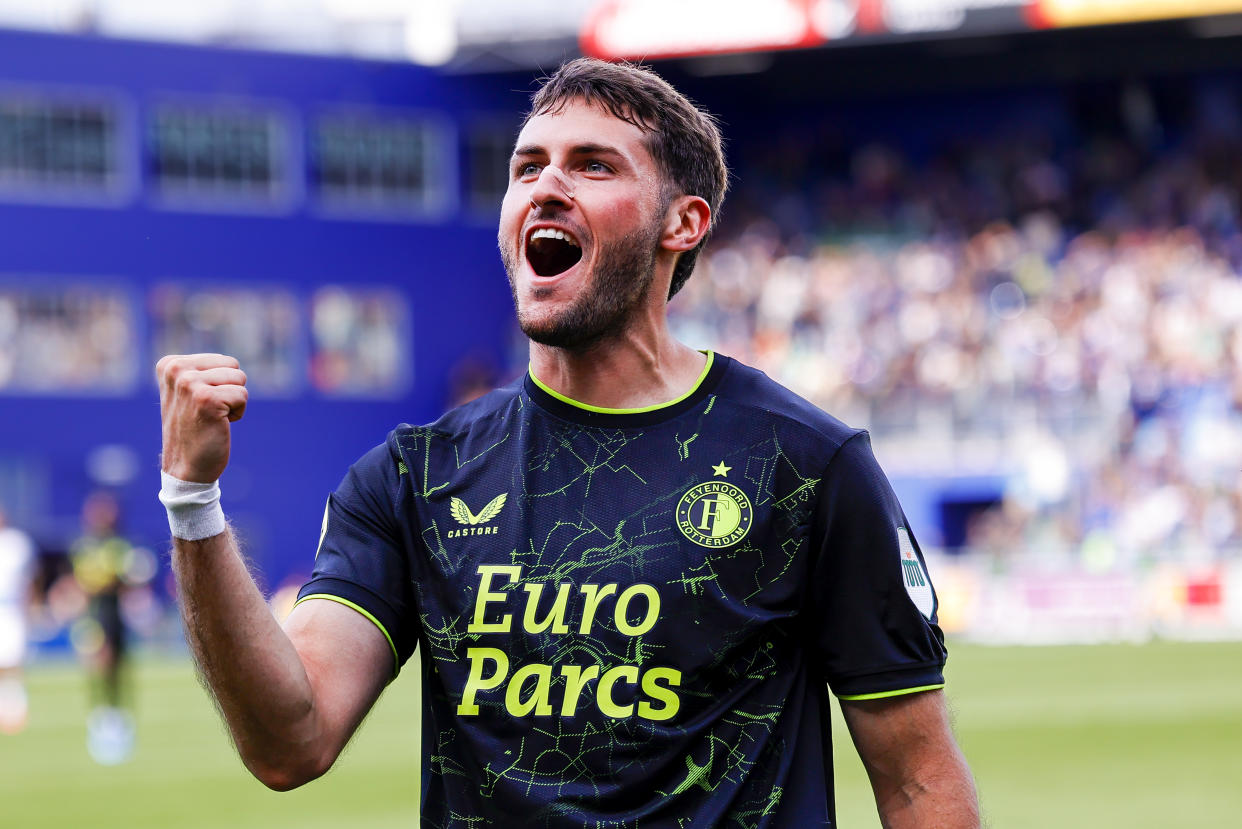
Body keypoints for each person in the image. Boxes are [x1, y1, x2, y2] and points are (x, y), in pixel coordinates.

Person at [156, 58, 979, 827]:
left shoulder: (805, 465)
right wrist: (193, 502)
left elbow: (916, 778)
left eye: (592, 164)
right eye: (527, 167)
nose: (546, 185)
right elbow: (287, 741)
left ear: (683, 222)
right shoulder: (413, 476)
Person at [67, 491, 141, 763]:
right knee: (98, 664)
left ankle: (118, 716)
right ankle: (101, 717)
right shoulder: (85, 546)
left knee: (119, 668)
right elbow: (82, 583)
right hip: (95, 615)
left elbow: (127, 582)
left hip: (115, 615)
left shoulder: (119, 545)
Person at [0, 504, 37, 734]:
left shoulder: (16, 543)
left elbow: (29, 581)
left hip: (11, 609)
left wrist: (30, 609)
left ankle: (16, 709)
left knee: (13, 661)